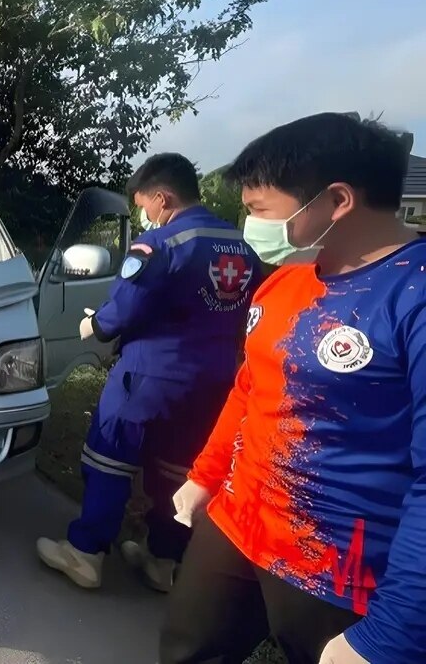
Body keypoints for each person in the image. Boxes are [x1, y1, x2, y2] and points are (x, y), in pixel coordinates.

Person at [160, 113, 426, 664]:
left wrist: (394, 634)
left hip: (341, 568)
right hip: (237, 526)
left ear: (337, 201)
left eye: (260, 210)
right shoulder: (284, 282)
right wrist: (206, 475)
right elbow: (249, 388)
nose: (250, 224)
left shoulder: (412, 297)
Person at [37, 153, 260, 591]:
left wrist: (94, 324)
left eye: (145, 203)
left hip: (150, 375)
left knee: (109, 457)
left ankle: (84, 553)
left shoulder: (159, 246)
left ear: (163, 197)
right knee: (178, 469)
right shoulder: (242, 248)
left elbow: (121, 312)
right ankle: (163, 561)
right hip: (213, 382)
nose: (145, 213)